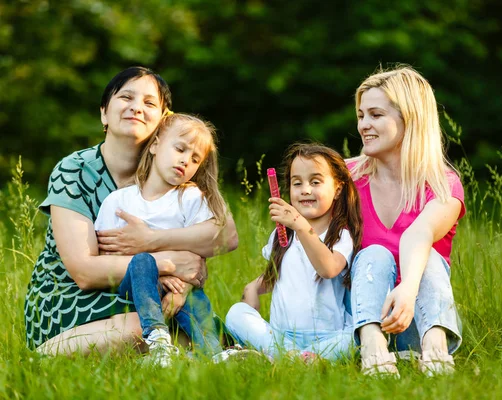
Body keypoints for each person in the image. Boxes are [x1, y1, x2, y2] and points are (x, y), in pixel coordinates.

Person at [24, 67, 238, 355]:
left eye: (149, 103)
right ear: (104, 113)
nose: (137, 107)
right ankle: (45, 355)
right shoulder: (74, 170)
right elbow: (84, 272)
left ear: (164, 122)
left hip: (153, 291)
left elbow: (225, 235)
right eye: (126, 97)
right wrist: (169, 261)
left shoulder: (178, 161)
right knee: (144, 329)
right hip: (71, 296)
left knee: (204, 340)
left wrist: (162, 258)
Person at [348, 65, 465, 376]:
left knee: (428, 258)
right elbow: (301, 230)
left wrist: (408, 290)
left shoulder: (443, 184)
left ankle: (436, 353)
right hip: (361, 320)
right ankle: (373, 353)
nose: (363, 125)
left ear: (409, 118)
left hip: (420, 320)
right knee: (373, 255)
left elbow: (420, 233)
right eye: (361, 115)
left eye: (375, 115)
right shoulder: (344, 178)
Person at [94, 112, 226, 366]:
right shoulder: (120, 201)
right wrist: (159, 270)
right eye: (180, 149)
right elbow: (107, 255)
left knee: (195, 297)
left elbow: (198, 257)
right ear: (155, 145)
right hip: (133, 287)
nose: (186, 160)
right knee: (143, 261)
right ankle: (158, 339)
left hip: (181, 287)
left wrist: (183, 286)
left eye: (195, 158)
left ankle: (214, 352)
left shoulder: (191, 198)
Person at [225, 143, 362, 361]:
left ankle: (281, 357)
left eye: (315, 182)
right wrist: (253, 287)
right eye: (297, 183)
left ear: (337, 189)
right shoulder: (283, 235)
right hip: (282, 335)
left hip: (328, 336)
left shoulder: (340, 235)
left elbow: (328, 268)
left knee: (356, 337)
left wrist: (299, 224)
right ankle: (297, 357)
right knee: (236, 314)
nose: (305, 189)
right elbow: (282, 275)